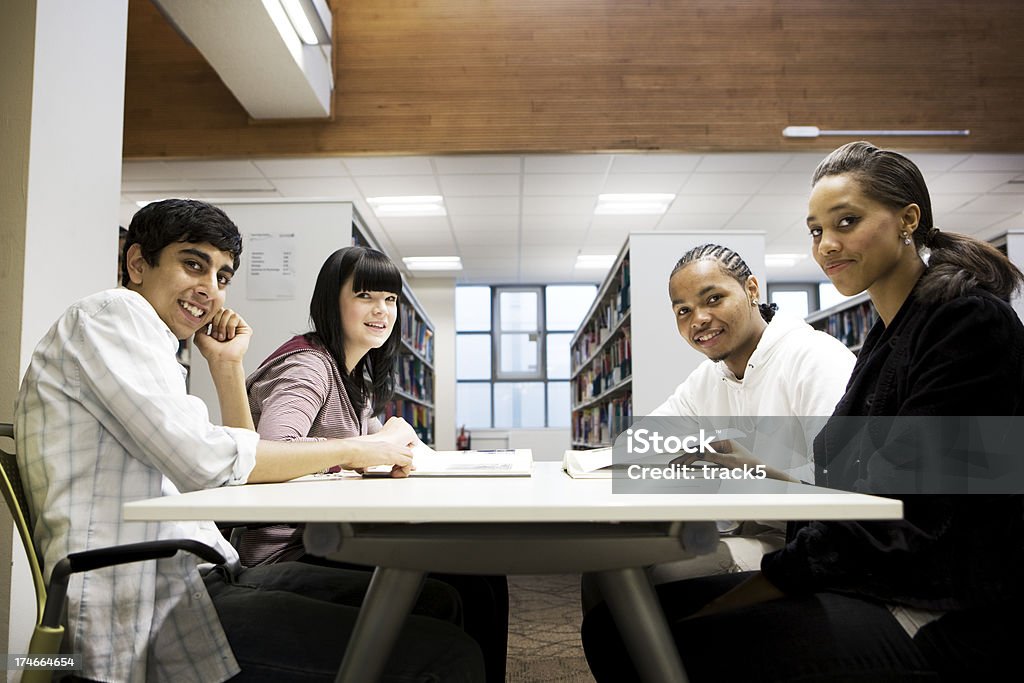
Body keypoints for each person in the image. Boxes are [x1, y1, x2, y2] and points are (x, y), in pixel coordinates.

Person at [581, 141, 1024, 681]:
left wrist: (764, 585)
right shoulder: (888, 336)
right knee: (616, 625)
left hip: (934, 608)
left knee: (648, 639)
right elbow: (848, 482)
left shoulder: (967, 325)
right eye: (816, 231)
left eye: (847, 221)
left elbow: (917, 516)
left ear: (908, 220)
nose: (827, 245)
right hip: (862, 570)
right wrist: (760, 472)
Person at [15, 199, 484, 682]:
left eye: (222, 276)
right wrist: (357, 449)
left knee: (437, 600)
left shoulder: (150, 342)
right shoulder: (114, 316)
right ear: (137, 263)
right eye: (193, 264)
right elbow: (208, 463)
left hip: (204, 572)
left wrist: (226, 365)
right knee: (447, 653)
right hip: (151, 600)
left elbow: (234, 474)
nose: (210, 289)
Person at [238, 245, 510, 683]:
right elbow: (269, 452)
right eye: (365, 295)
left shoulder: (354, 377)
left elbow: (362, 453)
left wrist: (390, 449)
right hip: (289, 549)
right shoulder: (308, 365)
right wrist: (365, 448)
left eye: (390, 300)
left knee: (484, 578)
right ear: (331, 300)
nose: (381, 310)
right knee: (468, 587)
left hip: (330, 535)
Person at [580, 244, 855, 612]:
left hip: (804, 544)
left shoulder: (815, 359)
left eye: (713, 298)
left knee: (659, 579)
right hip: (737, 527)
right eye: (684, 311)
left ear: (752, 290)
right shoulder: (709, 377)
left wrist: (755, 467)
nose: (699, 319)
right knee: (603, 569)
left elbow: (843, 489)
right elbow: (640, 440)